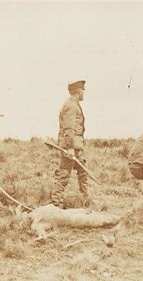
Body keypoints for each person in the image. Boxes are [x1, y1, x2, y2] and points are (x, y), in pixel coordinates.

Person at [50, 80, 89, 208]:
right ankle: (56, 204)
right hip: (71, 147)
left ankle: (85, 200)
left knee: (82, 171)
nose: (84, 93)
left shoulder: (73, 104)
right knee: (64, 173)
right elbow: (69, 128)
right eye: (83, 90)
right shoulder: (71, 105)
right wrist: (70, 147)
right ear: (78, 91)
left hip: (76, 146)